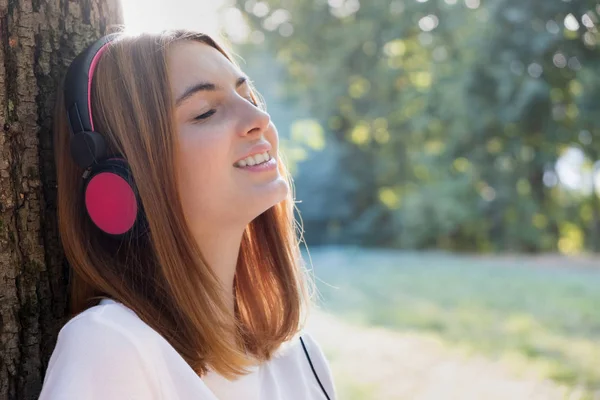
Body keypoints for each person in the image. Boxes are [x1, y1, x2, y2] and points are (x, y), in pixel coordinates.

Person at [38, 28, 337, 400]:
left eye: (249, 96)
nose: (257, 117)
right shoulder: (111, 346)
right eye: (205, 112)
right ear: (118, 181)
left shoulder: (300, 357)